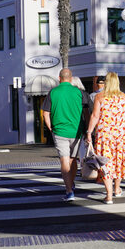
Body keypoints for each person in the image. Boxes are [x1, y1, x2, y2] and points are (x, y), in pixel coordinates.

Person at [86, 72, 125, 204]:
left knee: (105, 163)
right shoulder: (124, 97)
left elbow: (95, 116)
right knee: (119, 161)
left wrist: (89, 132)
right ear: (117, 82)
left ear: (106, 82)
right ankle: (117, 188)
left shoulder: (100, 96)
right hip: (120, 136)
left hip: (105, 136)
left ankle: (109, 195)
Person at [42, 68, 90, 201]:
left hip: (59, 131)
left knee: (64, 160)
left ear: (59, 78)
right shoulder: (79, 92)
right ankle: (71, 183)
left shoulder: (53, 92)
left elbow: (45, 113)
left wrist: (50, 127)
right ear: (71, 78)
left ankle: (69, 190)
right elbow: (86, 113)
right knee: (72, 159)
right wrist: (87, 129)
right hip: (76, 131)